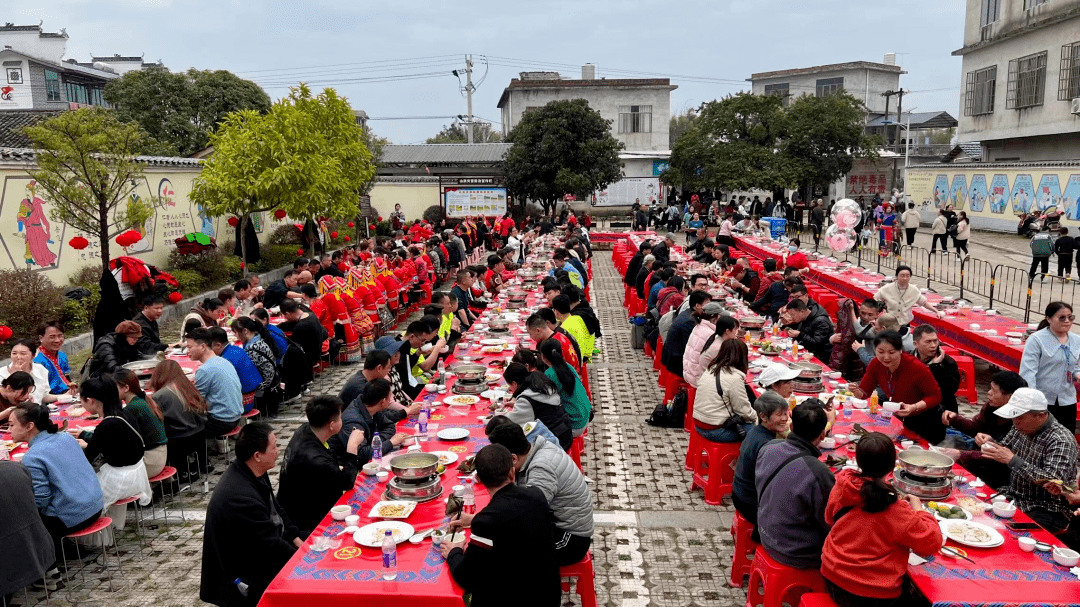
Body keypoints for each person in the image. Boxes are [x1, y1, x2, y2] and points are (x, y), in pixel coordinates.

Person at [821, 433, 943, 606]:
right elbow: (932, 543)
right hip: (872, 594)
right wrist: (919, 509)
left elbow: (829, 519)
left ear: (858, 460)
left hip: (832, 578)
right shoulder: (895, 508)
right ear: (892, 467)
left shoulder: (843, 485)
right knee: (922, 598)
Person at [441, 444, 560, 607]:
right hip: (548, 595)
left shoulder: (487, 522)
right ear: (512, 472)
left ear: (479, 479)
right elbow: (511, 519)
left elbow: (466, 576)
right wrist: (475, 519)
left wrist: (454, 551)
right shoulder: (536, 496)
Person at [201, 423, 302, 607]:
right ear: (257, 456)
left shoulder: (252, 470)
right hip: (240, 578)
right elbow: (271, 544)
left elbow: (275, 506)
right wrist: (302, 559)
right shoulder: (239, 496)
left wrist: (296, 537)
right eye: (274, 447)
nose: (278, 451)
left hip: (259, 551)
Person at [11, 403, 103, 581]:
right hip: (96, 504)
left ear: (29, 426)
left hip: (75, 515)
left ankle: (48, 571)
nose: (10, 429)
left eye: (12, 424)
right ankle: (63, 549)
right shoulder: (65, 437)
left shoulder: (33, 456)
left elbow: (40, 501)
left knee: (24, 519)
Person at [980, 388, 1079, 534]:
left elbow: (1054, 482)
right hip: (1014, 496)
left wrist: (1013, 460)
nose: (1015, 421)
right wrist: (991, 443)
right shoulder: (1021, 426)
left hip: (1045, 507)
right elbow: (1005, 448)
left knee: (1009, 534)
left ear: (1039, 416)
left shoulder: (1060, 440)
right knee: (980, 514)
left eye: (1019, 417)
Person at [755, 401, 835, 569]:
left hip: (764, 533)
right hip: (795, 551)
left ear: (791, 426)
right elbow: (830, 521)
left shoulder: (768, 448)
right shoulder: (818, 472)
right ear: (822, 435)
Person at [71, 376, 151, 531]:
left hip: (120, 480)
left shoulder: (107, 424)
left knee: (77, 489)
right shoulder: (125, 413)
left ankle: (82, 533)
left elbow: (88, 459)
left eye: (82, 400)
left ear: (91, 401)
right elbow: (115, 444)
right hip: (137, 473)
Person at [277, 396, 363, 537]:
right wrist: (352, 447)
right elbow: (347, 482)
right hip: (305, 520)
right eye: (340, 418)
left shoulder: (305, 429)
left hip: (298, 500)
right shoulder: (316, 459)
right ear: (331, 425)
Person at [853, 331, 945, 444]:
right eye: (880, 351)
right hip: (899, 418)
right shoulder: (875, 364)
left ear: (900, 350)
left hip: (926, 421)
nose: (886, 357)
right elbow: (864, 392)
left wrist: (914, 407)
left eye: (891, 352)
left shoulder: (916, 367)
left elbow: (936, 396)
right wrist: (857, 392)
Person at [940, 371, 1027, 489]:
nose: (988, 393)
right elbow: (975, 427)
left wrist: (960, 454)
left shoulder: (1021, 421)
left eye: (994, 391)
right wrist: (955, 419)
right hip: (980, 460)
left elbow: (1002, 455)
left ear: (1009, 397)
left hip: (1001, 474)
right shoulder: (991, 406)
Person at [731, 389, 790, 535]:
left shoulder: (756, 431)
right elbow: (771, 485)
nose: (785, 418)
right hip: (749, 502)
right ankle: (763, 539)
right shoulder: (766, 445)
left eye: (786, 413)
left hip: (739, 494)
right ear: (763, 416)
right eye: (779, 414)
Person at [1020, 301, 1080, 433]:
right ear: (1049, 319)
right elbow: (1028, 372)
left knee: (1065, 436)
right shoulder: (1037, 339)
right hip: (1043, 400)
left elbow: (1076, 366)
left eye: (1070, 317)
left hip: (1067, 400)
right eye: (1062, 318)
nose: (1067, 321)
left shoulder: (1076, 340)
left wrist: (1077, 374)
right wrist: (1033, 400)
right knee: (1042, 436)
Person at [0, 459, 55, 596]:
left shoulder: (25, 463)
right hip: (40, 551)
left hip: (8, 569)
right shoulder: (16, 468)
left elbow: (41, 499)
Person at [148, 359, 209, 479]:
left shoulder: (158, 396)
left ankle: (180, 470)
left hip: (178, 439)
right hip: (199, 434)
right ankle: (204, 463)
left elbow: (158, 422)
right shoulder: (189, 388)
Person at [329, 378, 411, 463]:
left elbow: (389, 426)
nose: (391, 400)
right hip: (347, 465)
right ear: (383, 401)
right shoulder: (353, 421)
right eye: (389, 397)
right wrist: (390, 443)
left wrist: (376, 442)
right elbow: (362, 454)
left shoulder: (371, 407)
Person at [693, 339, 755, 442]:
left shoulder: (711, 369)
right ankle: (746, 458)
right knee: (759, 432)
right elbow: (744, 412)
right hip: (715, 430)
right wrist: (760, 418)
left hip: (699, 423)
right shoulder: (734, 378)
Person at [502, 362, 573, 451]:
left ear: (514, 384)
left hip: (553, 444)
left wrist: (498, 417)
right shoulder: (542, 385)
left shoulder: (526, 399)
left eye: (509, 386)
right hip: (565, 433)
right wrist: (517, 404)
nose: (510, 389)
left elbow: (512, 422)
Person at [187, 328, 243, 438]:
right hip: (236, 416)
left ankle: (199, 455)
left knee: (179, 424)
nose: (187, 351)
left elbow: (195, 402)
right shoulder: (222, 360)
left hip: (221, 421)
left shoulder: (205, 370)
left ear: (203, 347)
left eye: (189, 347)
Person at [114, 368, 169, 478]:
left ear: (126, 388)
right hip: (160, 455)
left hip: (151, 461)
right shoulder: (141, 401)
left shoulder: (133, 408)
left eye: (114, 388)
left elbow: (118, 436)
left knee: (109, 465)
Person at [538, 338, 591, 436]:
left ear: (542, 356)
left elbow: (542, 398)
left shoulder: (550, 374)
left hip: (574, 425)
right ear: (561, 352)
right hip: (584, 416)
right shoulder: (567, 366)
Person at [231, 316, 282, 415]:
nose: (236, 336)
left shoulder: (252, 349)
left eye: (236, 333)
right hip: (272, 382)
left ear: (245, 331)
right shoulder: (259, 339)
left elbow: (247, 374)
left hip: (264, 388)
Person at [661, 291, 713, 381]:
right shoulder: (690, 321)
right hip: (677, 362)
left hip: (673, 356)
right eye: (708, 304)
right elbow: (691, 347)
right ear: (698, 306)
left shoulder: (688, 313)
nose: (710, 306)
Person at [912, 324, 960, 413]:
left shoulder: (947, 362)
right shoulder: (908, 359)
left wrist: (936, 367)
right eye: (928, 341)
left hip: (940, 410)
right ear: (916, 344)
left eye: (935, 341)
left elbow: (949, 391)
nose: (933, 345)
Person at [873, 265, 943, 326]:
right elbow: (875, 298)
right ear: (897, 276)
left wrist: (936, 311)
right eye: (902, 276)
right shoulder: (887, 288)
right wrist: (883, 307)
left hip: (905, 323)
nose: (905, 278)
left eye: (907, 276)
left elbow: (924, 303)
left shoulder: (914, 290)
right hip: (889, 322)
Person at [278, 299, 329, 369]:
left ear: (288, 313)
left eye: (285, 315)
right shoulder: (311, 315)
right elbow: (290, 324)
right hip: (316, 354)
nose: (285, 318)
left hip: (307, 358)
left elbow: (293, 346)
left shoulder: (300, 327)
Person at [0, 338, 53, 403]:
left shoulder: (41, 370)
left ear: (33, 355)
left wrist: (63, 396)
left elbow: (43, 396)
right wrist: (15, 376)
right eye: (14, 353)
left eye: (23, 354)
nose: (18, 357)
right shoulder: (1, 373)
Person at [34, 320, 73, 396]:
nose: (57, 340)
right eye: (52, 337)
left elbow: (66, 377)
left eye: (60, 336)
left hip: (66, 394)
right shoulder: (37, 360)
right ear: (41, 338)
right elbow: (39, 392)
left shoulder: (62, 355)